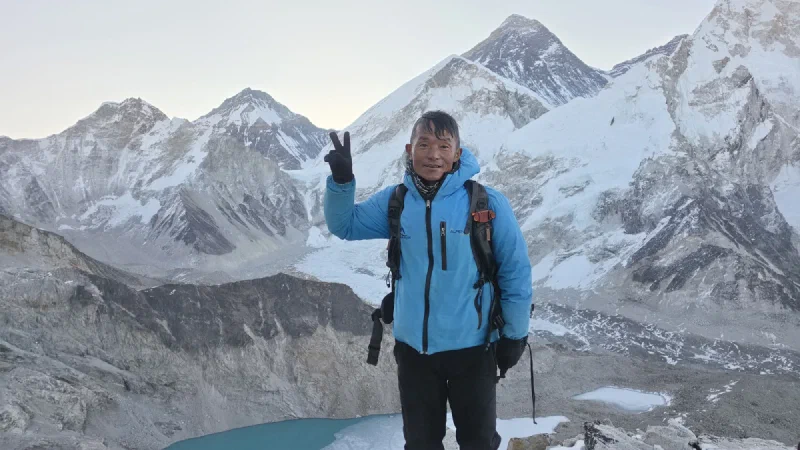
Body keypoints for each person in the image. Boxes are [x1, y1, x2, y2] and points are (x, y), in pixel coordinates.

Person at [323, 110, 533, 450]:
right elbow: (344, 225)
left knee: (478, 443)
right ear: (410, 150)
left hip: (474, 348)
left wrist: (515, 334)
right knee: (421, 443)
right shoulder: (397, 201)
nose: (433, 154)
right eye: (424, 145)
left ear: (457, 155)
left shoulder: (486, 202)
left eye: (443, 146)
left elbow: (515, 270)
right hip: (415, 353)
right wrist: (342, 182)